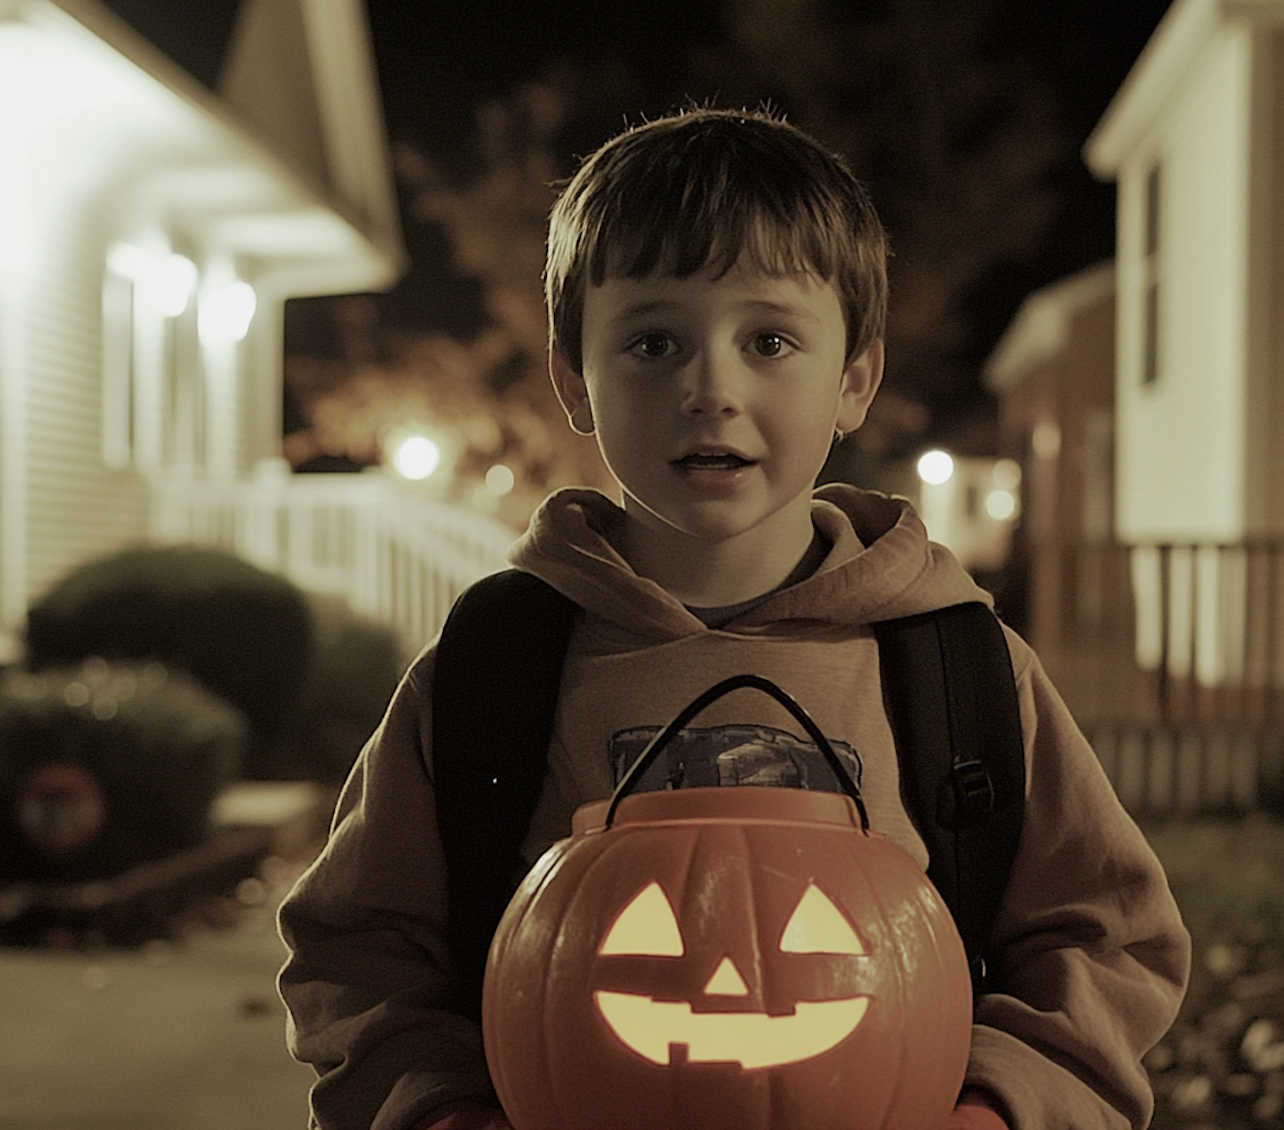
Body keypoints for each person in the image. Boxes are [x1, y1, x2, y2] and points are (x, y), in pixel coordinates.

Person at [278, 107, 1190, 1130]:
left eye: (768, 339)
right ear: (574, 379)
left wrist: (1001, 1106)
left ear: (854, 380)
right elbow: (357, 950)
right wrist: (434, 1107)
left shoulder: (955, 666)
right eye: (654, 340)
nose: (709, 387)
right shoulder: (494, 668)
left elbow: (1109, 938)